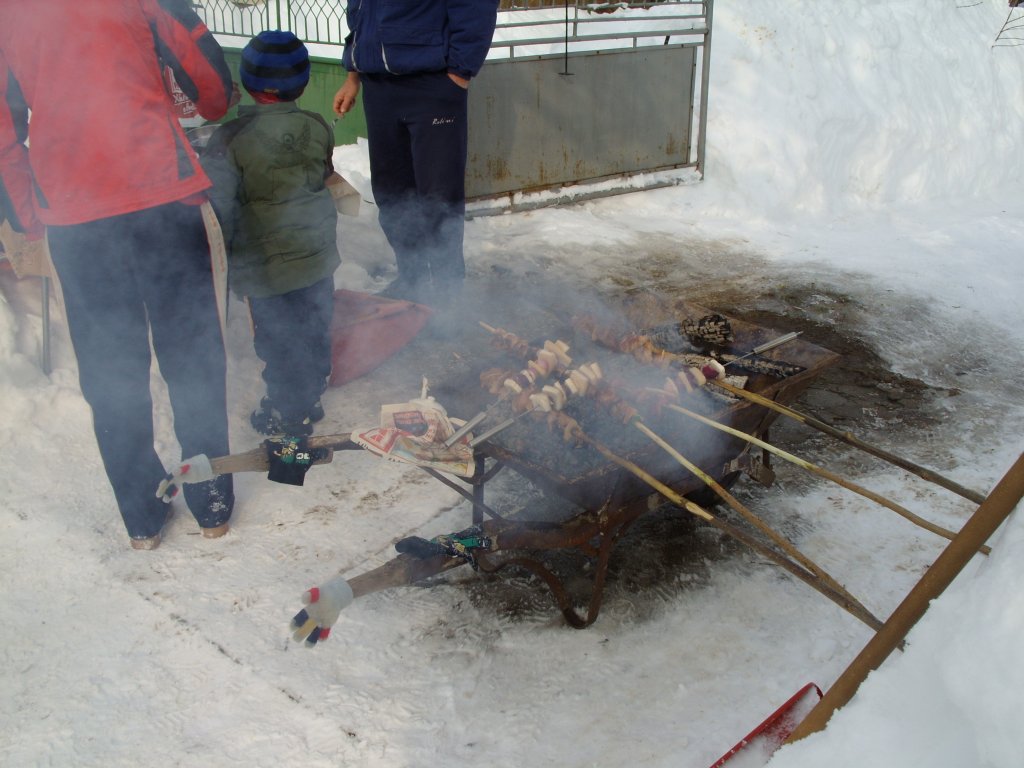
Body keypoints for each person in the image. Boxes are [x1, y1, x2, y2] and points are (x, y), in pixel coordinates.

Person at [0, 0, 238, 551]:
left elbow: (4, 131)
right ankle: (212, 505)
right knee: (193, 356)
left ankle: (142, 519)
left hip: (77, 217)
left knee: (111, 371)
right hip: (164, 198)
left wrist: (29, 217)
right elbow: (212, 85)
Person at [202, 30, 341, 438]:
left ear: (247, 82)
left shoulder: (229, 138)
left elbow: (219, 210)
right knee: (314, 328)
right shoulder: (317, 127)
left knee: (279, 346)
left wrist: (223, 264)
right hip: (316, 258)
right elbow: (320, 176)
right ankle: (309, 396)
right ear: (303, 82)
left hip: (267, 269)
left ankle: (291, 435)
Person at [332, 0, 499, 312]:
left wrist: (459, 73)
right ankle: (413, 281)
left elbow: (476, 7)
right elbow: (361, 16)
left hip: (431, 84)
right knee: (391, 192)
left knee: (438, 194)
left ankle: (448, 296)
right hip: (378, 88)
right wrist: (353, 74)